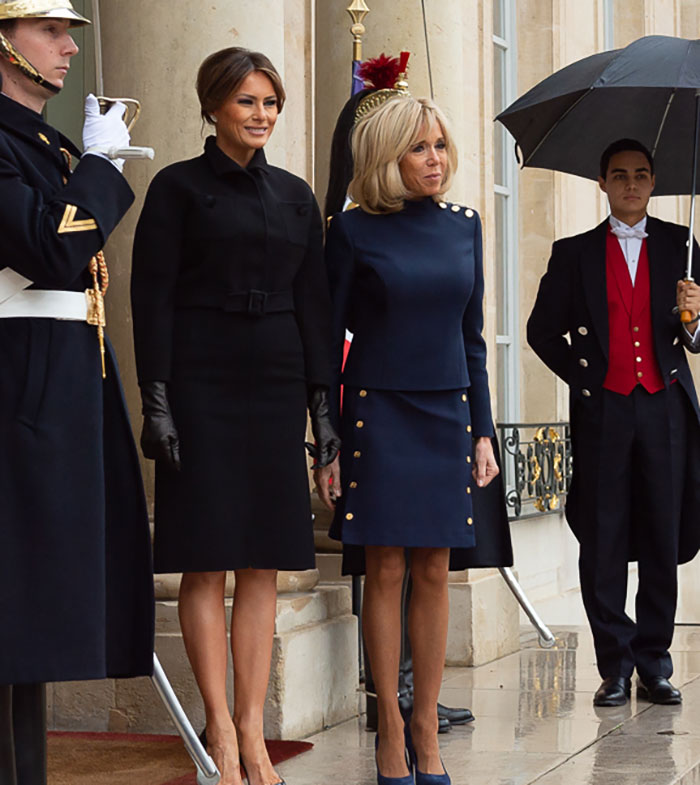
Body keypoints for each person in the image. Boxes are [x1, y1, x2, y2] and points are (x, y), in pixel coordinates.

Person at [131, 47, 338, 785]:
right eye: (248, 101)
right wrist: (157, 401)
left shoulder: (294, 195)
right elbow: (150, 298)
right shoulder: (176, 188)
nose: (262, 114)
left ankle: (254, 730)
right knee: (205, 556)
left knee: (262, 560)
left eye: (271, 102)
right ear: (214, 106)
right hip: (200, 381)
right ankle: (217, 726)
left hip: (275, 381)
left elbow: (315, 306)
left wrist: (323, 412)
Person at [323, 54, 513, 739]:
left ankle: (426, 727)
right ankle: (391, 729)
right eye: (419, 148)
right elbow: (327, 343)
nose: (436, 159)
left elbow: (473, 338)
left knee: (435, 568)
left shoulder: (465, 225)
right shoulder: (351, 231)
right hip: (378, 414)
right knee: (385, 567)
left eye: (440, 146)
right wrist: (326, 441)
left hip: (447, 414)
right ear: (386, 156)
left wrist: (483, 430)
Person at [0, 2, 154, 783]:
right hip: (18, 384)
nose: (67, 48)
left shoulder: (45, 145)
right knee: (14, 605)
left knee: (29, 621)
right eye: (50, 32)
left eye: (69, 33)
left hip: (60, 378)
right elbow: (50, 250)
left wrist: (88, 164)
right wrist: (99, 168)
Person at [527, 138, 700, 708]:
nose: (631, 184)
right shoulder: (573, 253)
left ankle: (655, 663)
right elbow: (540, 331)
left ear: (653, 183)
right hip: (604, 408)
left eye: (641, 174)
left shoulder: (682, 247)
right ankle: (615, 667)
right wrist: (587, 379)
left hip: (664, 405)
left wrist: (693, 318)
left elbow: (696, 339)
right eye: (620, 175)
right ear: (602, 183)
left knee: (661, 534)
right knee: (602, 537)